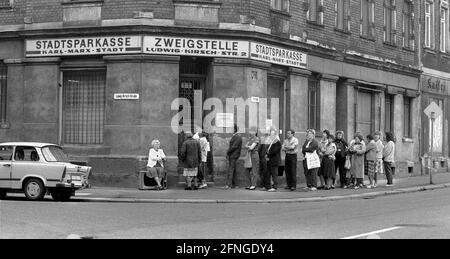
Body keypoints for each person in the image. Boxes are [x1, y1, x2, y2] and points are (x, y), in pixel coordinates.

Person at [225, 124, 242, 189]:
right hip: (233, 154)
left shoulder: (237, 136)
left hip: (234, 155)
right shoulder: (235, 136)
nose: (230, 130)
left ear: (234, 129)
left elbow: (234, 146)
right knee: (233, 169)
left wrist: (228, 152)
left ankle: (229, 185)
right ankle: (235, 184)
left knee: (231, 170)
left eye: (231, 129)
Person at [265, 127, 281, 192]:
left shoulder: (277, 142)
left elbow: (275, 151)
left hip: (274, 160)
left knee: (274, 174)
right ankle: (268, 186)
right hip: (269, 160)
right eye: (270, 135)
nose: (271, 136)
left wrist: (268, 154)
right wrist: (266, 153)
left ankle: (275, 187)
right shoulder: (271, 142)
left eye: (272, 135)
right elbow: (267, 149)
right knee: (268, 173)